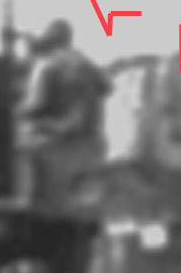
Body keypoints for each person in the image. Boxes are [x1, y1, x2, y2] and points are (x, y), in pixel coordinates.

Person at [14, 19, 111, 203]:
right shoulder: (88, 65)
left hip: (58, 142)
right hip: (92, 142)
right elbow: (106, 88)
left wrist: (14, 111)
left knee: (17, 148)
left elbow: (35, 105)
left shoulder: (48, 66)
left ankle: (25, 201)